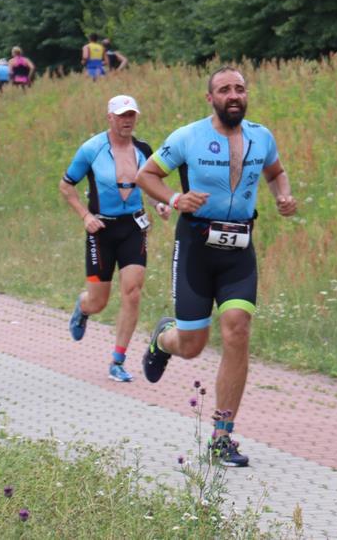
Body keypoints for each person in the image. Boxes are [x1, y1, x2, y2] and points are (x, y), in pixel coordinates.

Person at [136, 66, 297, 467]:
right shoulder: (188, 136)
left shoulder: (262, 137)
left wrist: (283, 196)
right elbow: (147, 175)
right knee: (192, 346)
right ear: (211, 98)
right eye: (224, 89)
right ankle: (163, 339)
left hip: (239, 249)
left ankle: (222, 437)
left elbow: (276, 173)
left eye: (239, 88)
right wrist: (175, 199)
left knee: (237, 330)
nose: (233, 95)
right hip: (195, 247)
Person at [59, 95, 171, 382]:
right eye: (122, 115)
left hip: (133, 227)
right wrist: (85, 216)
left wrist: (159, 203)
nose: (127, 120)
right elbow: (66, 186)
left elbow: (150, 184)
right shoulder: (91, 149)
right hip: (101, 230)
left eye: (131, 115)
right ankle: (83, 307)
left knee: (132, 292)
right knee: (99, 301)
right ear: (110, 118)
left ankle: (117, 361)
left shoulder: (144, 150)